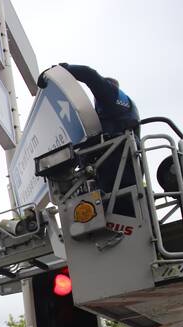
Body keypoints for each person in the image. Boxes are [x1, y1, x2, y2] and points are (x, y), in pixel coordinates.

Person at [38, 63, 141, 216]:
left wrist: (62, 70)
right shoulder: (120, 107)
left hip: (118, 163)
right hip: (118, 166)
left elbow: (89, 74)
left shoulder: (111, 95)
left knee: (119, 207)